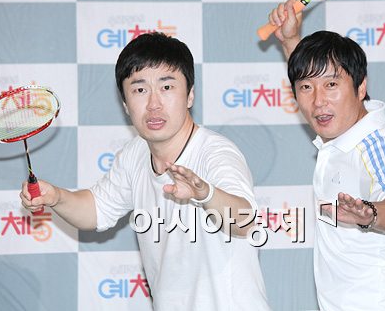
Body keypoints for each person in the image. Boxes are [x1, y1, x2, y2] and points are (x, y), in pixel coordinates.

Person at [21, 32, 270, 311]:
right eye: (140, 90)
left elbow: (245, 220)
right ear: (125, 105)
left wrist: (206, 193)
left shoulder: (216, 152)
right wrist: (56, 197)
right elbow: (96, 210)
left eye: (167, 87)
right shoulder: (135, 154)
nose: (154, 104)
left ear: (190, 95)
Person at [267, 0, 385, 311]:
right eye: (306, 88)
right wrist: (290, 41)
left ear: (361, 88)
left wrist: (370, 213)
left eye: (332, 84)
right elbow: (312, 79)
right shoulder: (341, 136)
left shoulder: (375, 144)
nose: (318, 101)